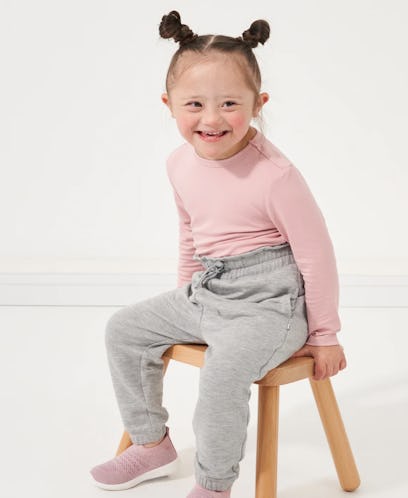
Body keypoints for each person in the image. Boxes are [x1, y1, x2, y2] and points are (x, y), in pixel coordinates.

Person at [90, 10, 346, 498]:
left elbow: (317, 257)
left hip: (269, 304)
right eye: (194, 104)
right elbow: (190, 235)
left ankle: (213, 484)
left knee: (222, 373)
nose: (211, 119)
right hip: (208, 289)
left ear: (258, 103)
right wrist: (183, 300)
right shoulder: (178, 163)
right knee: (123, 329)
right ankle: (152, 444)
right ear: (168, 105)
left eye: (230, 103)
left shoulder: (276, 176)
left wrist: (325, 334)